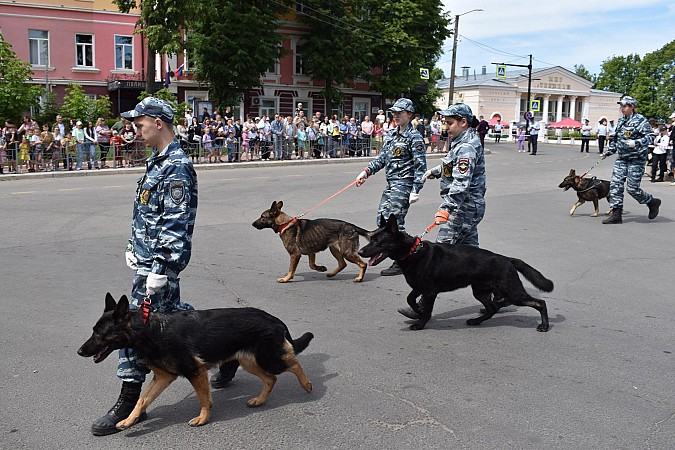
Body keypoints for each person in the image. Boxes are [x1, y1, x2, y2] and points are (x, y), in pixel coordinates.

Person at [90, 97, 201, 436]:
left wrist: (162, 268)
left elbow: (177, 223)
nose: (134, 129)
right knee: (176, 317)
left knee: (134, 331)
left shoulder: (177, 166)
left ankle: (128, 399)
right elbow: (146, 213)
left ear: (158, 122)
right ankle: (221, 352)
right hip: (145, 260)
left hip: (157, 268)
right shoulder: (157, 161)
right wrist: (132, 246)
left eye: (139, 123)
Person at [355, 98, 427, 276]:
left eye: (399, 112)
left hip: (404, 185)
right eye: (393, 113)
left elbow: (420, 166)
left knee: (395, 225)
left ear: (409, 114)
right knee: (382, 221)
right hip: (391, 185)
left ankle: (401, 260)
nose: (395, 115)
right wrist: (366, 172)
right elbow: (382, 159)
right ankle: (397, 253)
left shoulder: (414, 137)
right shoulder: (392, 135)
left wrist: (416, 189)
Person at [424, 103, 486, 247]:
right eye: (445, 123)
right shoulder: (463, 141)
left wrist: (446, 208)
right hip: (467, 205)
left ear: (463, 122)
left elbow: (461, 183)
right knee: (469, 252)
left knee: (442, 250)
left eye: (450, 123)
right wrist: (435, 171)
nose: (446, 127)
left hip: (464, 207)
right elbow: (454, 165)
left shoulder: (466, 147)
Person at [602, 96, 661, 224]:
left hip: (636, 160)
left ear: (632, 107)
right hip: (622, 159)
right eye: (621, 106)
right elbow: (616, 138)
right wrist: (608, 151)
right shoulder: (622, 120)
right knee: (615, 185)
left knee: (632, 189)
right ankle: (616, 214)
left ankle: (652, 202)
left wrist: (636, 142)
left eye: (625, 106)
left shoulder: (640, 121)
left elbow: (651, 137)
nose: (622, 108)